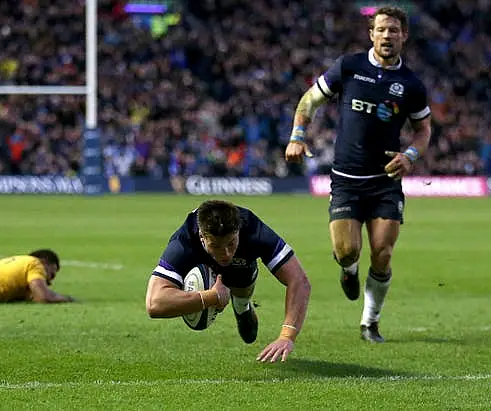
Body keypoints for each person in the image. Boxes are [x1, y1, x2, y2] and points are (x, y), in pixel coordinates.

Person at [285, 7, 432, 343]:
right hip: (347, 180)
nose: (387, 36)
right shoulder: (349, 67)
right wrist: (297, 136)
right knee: (347, 251)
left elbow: (423, 129)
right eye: (381, 29)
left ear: (403, 36)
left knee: (382, 252)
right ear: (371, 34)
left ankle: (370, 322)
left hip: (385, 181)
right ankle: (348, 270)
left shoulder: (410, 84)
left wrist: (410, 155)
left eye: (394, 30)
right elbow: (310, 100)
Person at [145, 200, 311, 363]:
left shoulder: (254, 230)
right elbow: (154, 304)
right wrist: (212, 297)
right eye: (216, 246)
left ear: (238, 231)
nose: (225, 253)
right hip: (201, 268)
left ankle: (241, 306)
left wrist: (286, 336)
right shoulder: (183, 242)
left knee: (241, 279)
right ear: (202, 236)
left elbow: (299, 280)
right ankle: (229, 298)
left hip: (242, 268)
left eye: (231, 243)